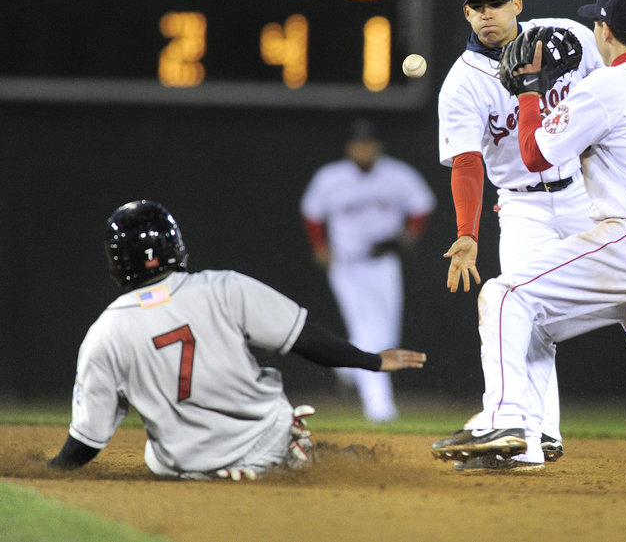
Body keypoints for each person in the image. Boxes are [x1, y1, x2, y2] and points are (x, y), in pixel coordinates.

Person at [437, 0, 626, 470]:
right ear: (466, 13)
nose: (486, 13)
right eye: (476, 5)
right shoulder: (461, 83)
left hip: (584, 190)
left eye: (495, 2)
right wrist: (467, 232)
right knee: (524, 311)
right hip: (521, 204)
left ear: (518, 4)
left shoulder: (569, 38)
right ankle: (538, 435)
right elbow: (468, 162)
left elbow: (623, 96)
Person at [48, 200, 426, 479]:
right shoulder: (221, 287)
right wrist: (371, 361)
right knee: (346, 460)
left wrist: (48, 470)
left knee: (155, 457)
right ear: (173, 246)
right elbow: (304, 340)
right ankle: (285, 456)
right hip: (267, 443)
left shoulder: (103, 334)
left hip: (188, 468)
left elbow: (87, 442)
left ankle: (227, 470)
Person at [300, 120, 436, 422]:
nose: (364, 148)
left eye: (369, 143)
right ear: (350, 147)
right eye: (359, 143)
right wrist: (320, 246)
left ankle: (347, 365)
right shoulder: (331, 177)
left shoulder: (396, 175)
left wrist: (409, 234)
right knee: (370, 331)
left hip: (383, 263)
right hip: (347, 265)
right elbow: (311, 213)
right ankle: (379, 405)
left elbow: (423, 203)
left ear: (378, 146)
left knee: (386, 332)